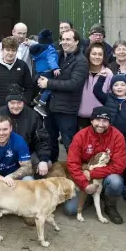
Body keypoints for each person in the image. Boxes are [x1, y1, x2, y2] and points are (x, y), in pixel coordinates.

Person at [63, 107, 126, 224]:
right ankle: (88, 198)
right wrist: (85, 184)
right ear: (91, 120)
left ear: (110, 122)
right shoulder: (81, 136)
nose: (101, 124)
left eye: (105, 121)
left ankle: (110, 206)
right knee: (70, 210)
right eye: (98, 120)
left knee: (116, 181)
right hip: (84, 177)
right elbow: (72, 163)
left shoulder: (117, 136)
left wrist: (92, 173)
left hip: (105, 174)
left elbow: (119, 166)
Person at [39, 28, 88, 163]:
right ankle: (53, 170)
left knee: (70, 144)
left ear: (76, 42)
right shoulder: (58, 56)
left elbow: (74, 84)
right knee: (50, 141)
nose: (64, 42)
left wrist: (49, 83)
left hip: (67, 109)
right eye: (62, 39)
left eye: (68, 39)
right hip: (51, 107)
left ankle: (76, 173)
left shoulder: (81, 61)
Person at [93, 74, 126, 202]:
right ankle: (105, 184)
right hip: (111, 138)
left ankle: (125, 185)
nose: (119, 87)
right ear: (111, 87)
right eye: (115, 85)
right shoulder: (108, 99)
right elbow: (96, 91)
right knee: (110, 159)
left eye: (122, 85)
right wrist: (102, 78)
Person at [0, 86, 51, 178]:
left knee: (48, 164)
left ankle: (32, 181)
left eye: (19, 102)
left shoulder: (32, 115)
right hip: (2, 154)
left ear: (24, 102)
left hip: (27, 154)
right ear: (7, 103)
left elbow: (42, 139)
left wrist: (43, 159)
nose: (16, 106)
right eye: (12, 103)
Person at [0, 37, 34, 111]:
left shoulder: (23, 65)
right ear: (2, 50)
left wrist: (24, 103)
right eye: (8, 50)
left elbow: (29, 87)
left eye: (13, 50)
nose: (10, 53)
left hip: (18, 108)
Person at [78, 43, 113, 130]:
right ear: (88, 55)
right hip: (80, 117)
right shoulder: (81, 71)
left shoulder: (108, 73)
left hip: (100, 119)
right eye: (94, 54)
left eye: (100, 54)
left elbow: (110, 96)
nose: (97, 57)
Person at [29, 29, 60, 116]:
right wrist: (55, 68)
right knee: (49, 88)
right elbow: (51, 60)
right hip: (48, 71)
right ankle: (40, 105)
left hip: (40, 72)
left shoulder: (37, 50)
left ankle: (37, 98)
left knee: (43, 85)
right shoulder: (50, 49)